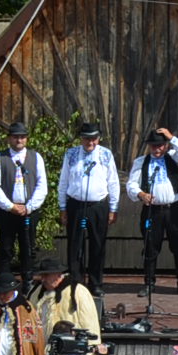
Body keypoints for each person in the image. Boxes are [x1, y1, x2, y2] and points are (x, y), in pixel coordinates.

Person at [57, 121, 121, 293]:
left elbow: (113, 182)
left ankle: (96, 283)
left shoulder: (106, 155)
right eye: (87, 139)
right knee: (75, 245)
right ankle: (76, 282)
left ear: (98, 139)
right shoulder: (71, 154)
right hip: (76, 204)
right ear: (81, 139)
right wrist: (63, 207)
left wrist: (113, 208)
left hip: (98, 205)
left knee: (98, 245)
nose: (90, 143)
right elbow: (63, 182)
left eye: (94, 139)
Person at [129, 127, 178, 295]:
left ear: (165, 145)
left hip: (174, 209)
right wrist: (141, 194)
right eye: (153, 146)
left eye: (160, 146)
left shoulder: (174, 158)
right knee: (150, 246)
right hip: (152, 210)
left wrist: (171, 137)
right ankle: (149, 284)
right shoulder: (141, 162)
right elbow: (131, 184)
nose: (157, 149)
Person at [0, 118, 48, 291]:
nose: (19, 140)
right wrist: (10, 206)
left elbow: (42, 185)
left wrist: (30, 206)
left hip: (29, 210)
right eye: (15, 137)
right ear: (9, 138)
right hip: (7, 211)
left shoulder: (36, 158)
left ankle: (28, 282)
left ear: (26, 138)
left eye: (22, 137)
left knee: (28, 247)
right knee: (6, 248)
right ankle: (4, 281)